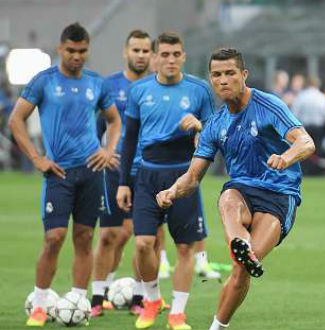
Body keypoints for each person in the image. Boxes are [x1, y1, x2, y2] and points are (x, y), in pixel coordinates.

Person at [154, 48, 315, 330]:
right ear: (211, 79)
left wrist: (286, 157)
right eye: (217, 75)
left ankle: (219, 324)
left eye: (230, 73)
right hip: (242, 191)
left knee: (242, 270)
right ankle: (240, 243)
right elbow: (192, 178)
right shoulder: (215, 124)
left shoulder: (269, 106)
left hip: (279, 194)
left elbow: (306, 142)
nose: (223, 80)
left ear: (244, 75)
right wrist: (172, 191)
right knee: (229, 197)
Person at [8, 22, 122, 327]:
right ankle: (40, 304)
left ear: (87, 50)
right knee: (54, 238)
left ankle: (76, 300)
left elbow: (114, 121)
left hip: (92, 171)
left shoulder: (97, 83)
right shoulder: (43, 81)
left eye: (82, 51)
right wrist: (36, 158)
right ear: (60, 49)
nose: (77, 56)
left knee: (84, 238)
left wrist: (108, 149)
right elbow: (16, 120)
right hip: (58, 172)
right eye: (71, 50)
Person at [116, 31, 213, 330]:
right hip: (146, 175)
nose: (170, 60)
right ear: (155, 58)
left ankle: (177, 315)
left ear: (183, 56)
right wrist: (123, 182)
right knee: (144, 244)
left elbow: (214, 133)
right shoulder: (140, 90)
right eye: (165, 55)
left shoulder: (199, 90)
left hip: (185, 175)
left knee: (185, 249)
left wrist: (199, 125)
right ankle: (153, 299)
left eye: (176, 54)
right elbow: (129, 138)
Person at [91, 29, 156, 317]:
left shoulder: (158, 87)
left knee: (138, 235)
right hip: (114, 170)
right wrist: (100, 153)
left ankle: (139, 299)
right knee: (108, 235)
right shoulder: (109, 86)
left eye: (145, 51)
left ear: (151, 54)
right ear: (125, 52)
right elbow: (94, 128)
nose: (140, 55)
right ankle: (97, 298)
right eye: (136, 50)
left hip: (148, 172)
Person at [291, 76, 325, 175]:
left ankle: (305, 170)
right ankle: (317, 171)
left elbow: (294, 113)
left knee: (304, 149)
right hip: (318, 129)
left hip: (304, 128)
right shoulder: (322, 97)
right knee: (317, 150)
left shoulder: (301, 96)